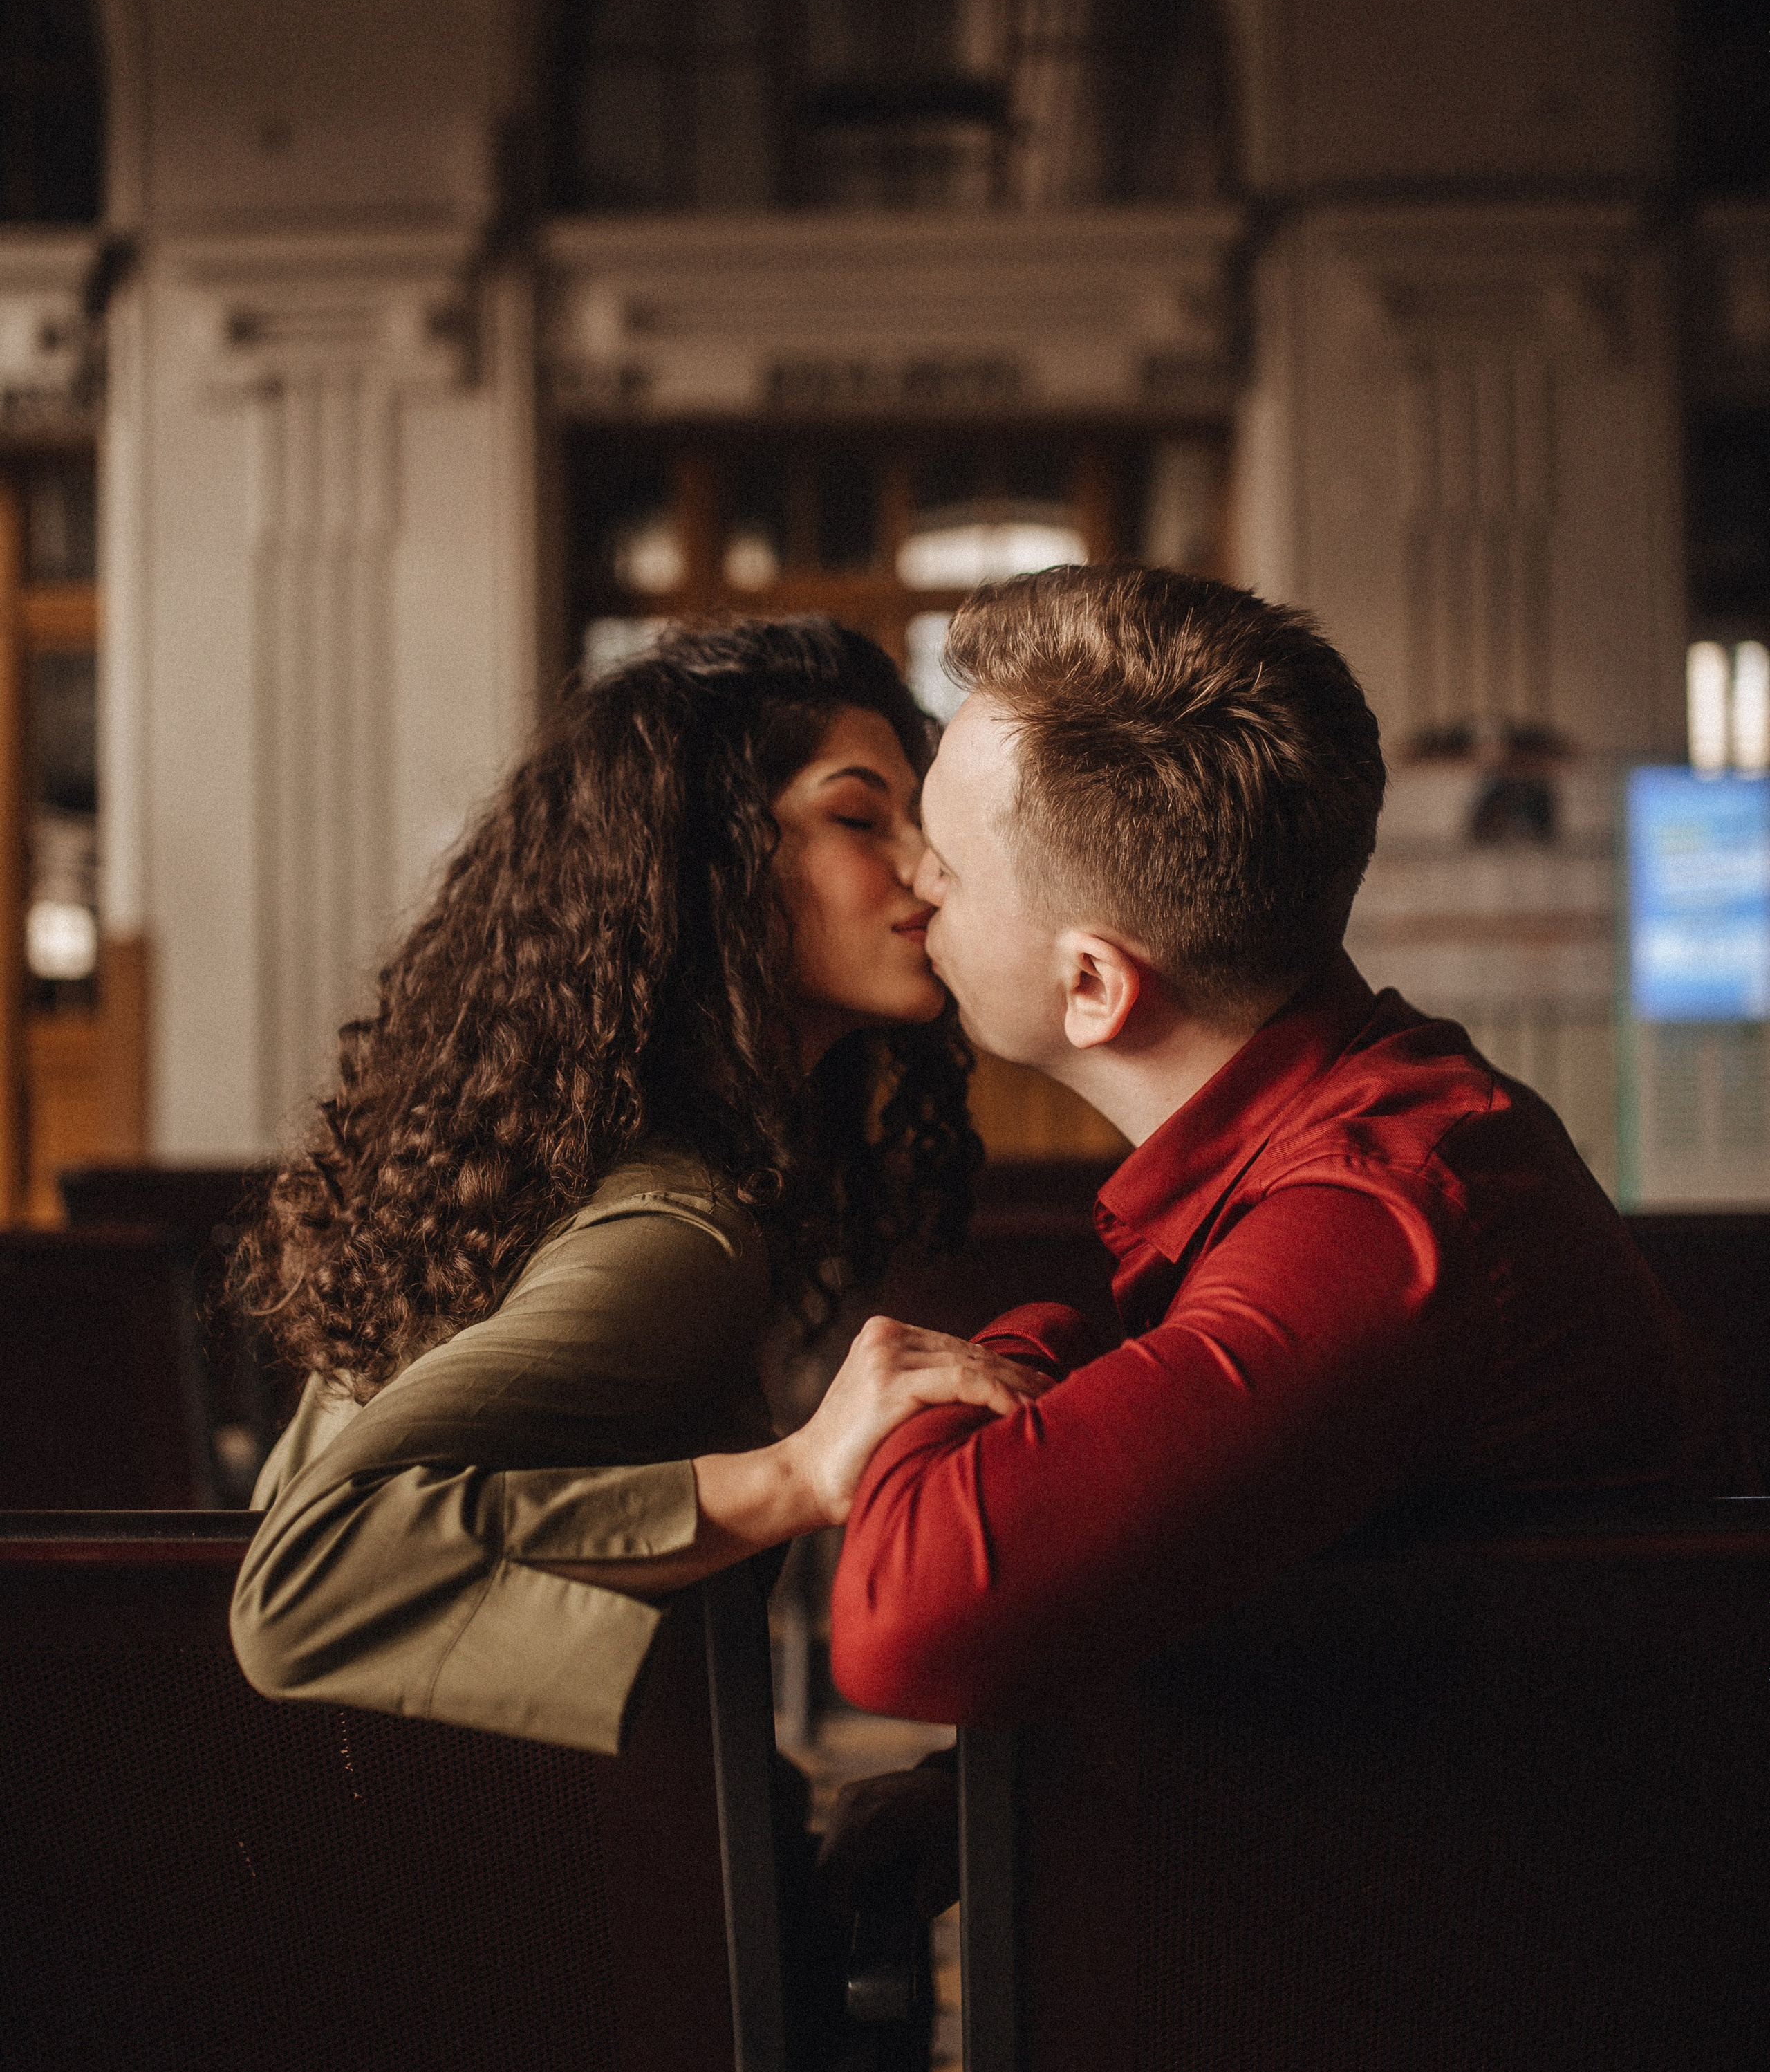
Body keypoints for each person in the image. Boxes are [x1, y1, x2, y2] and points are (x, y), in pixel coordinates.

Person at [819, 564, 1724, 1732]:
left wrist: (1032, 1346)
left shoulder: (1380, 1219)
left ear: (1092, 985)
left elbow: (899, 1631)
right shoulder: (1371, 1119)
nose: (911, 881)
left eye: (947, 858)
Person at [230, 613, 1043, 1749]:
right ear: (706, 865)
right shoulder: (678, 1231)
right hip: (520, 1904)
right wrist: (797, 1477)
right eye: (862, 816)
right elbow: (304, 1579)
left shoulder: (561, 1156)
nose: (929, 868)